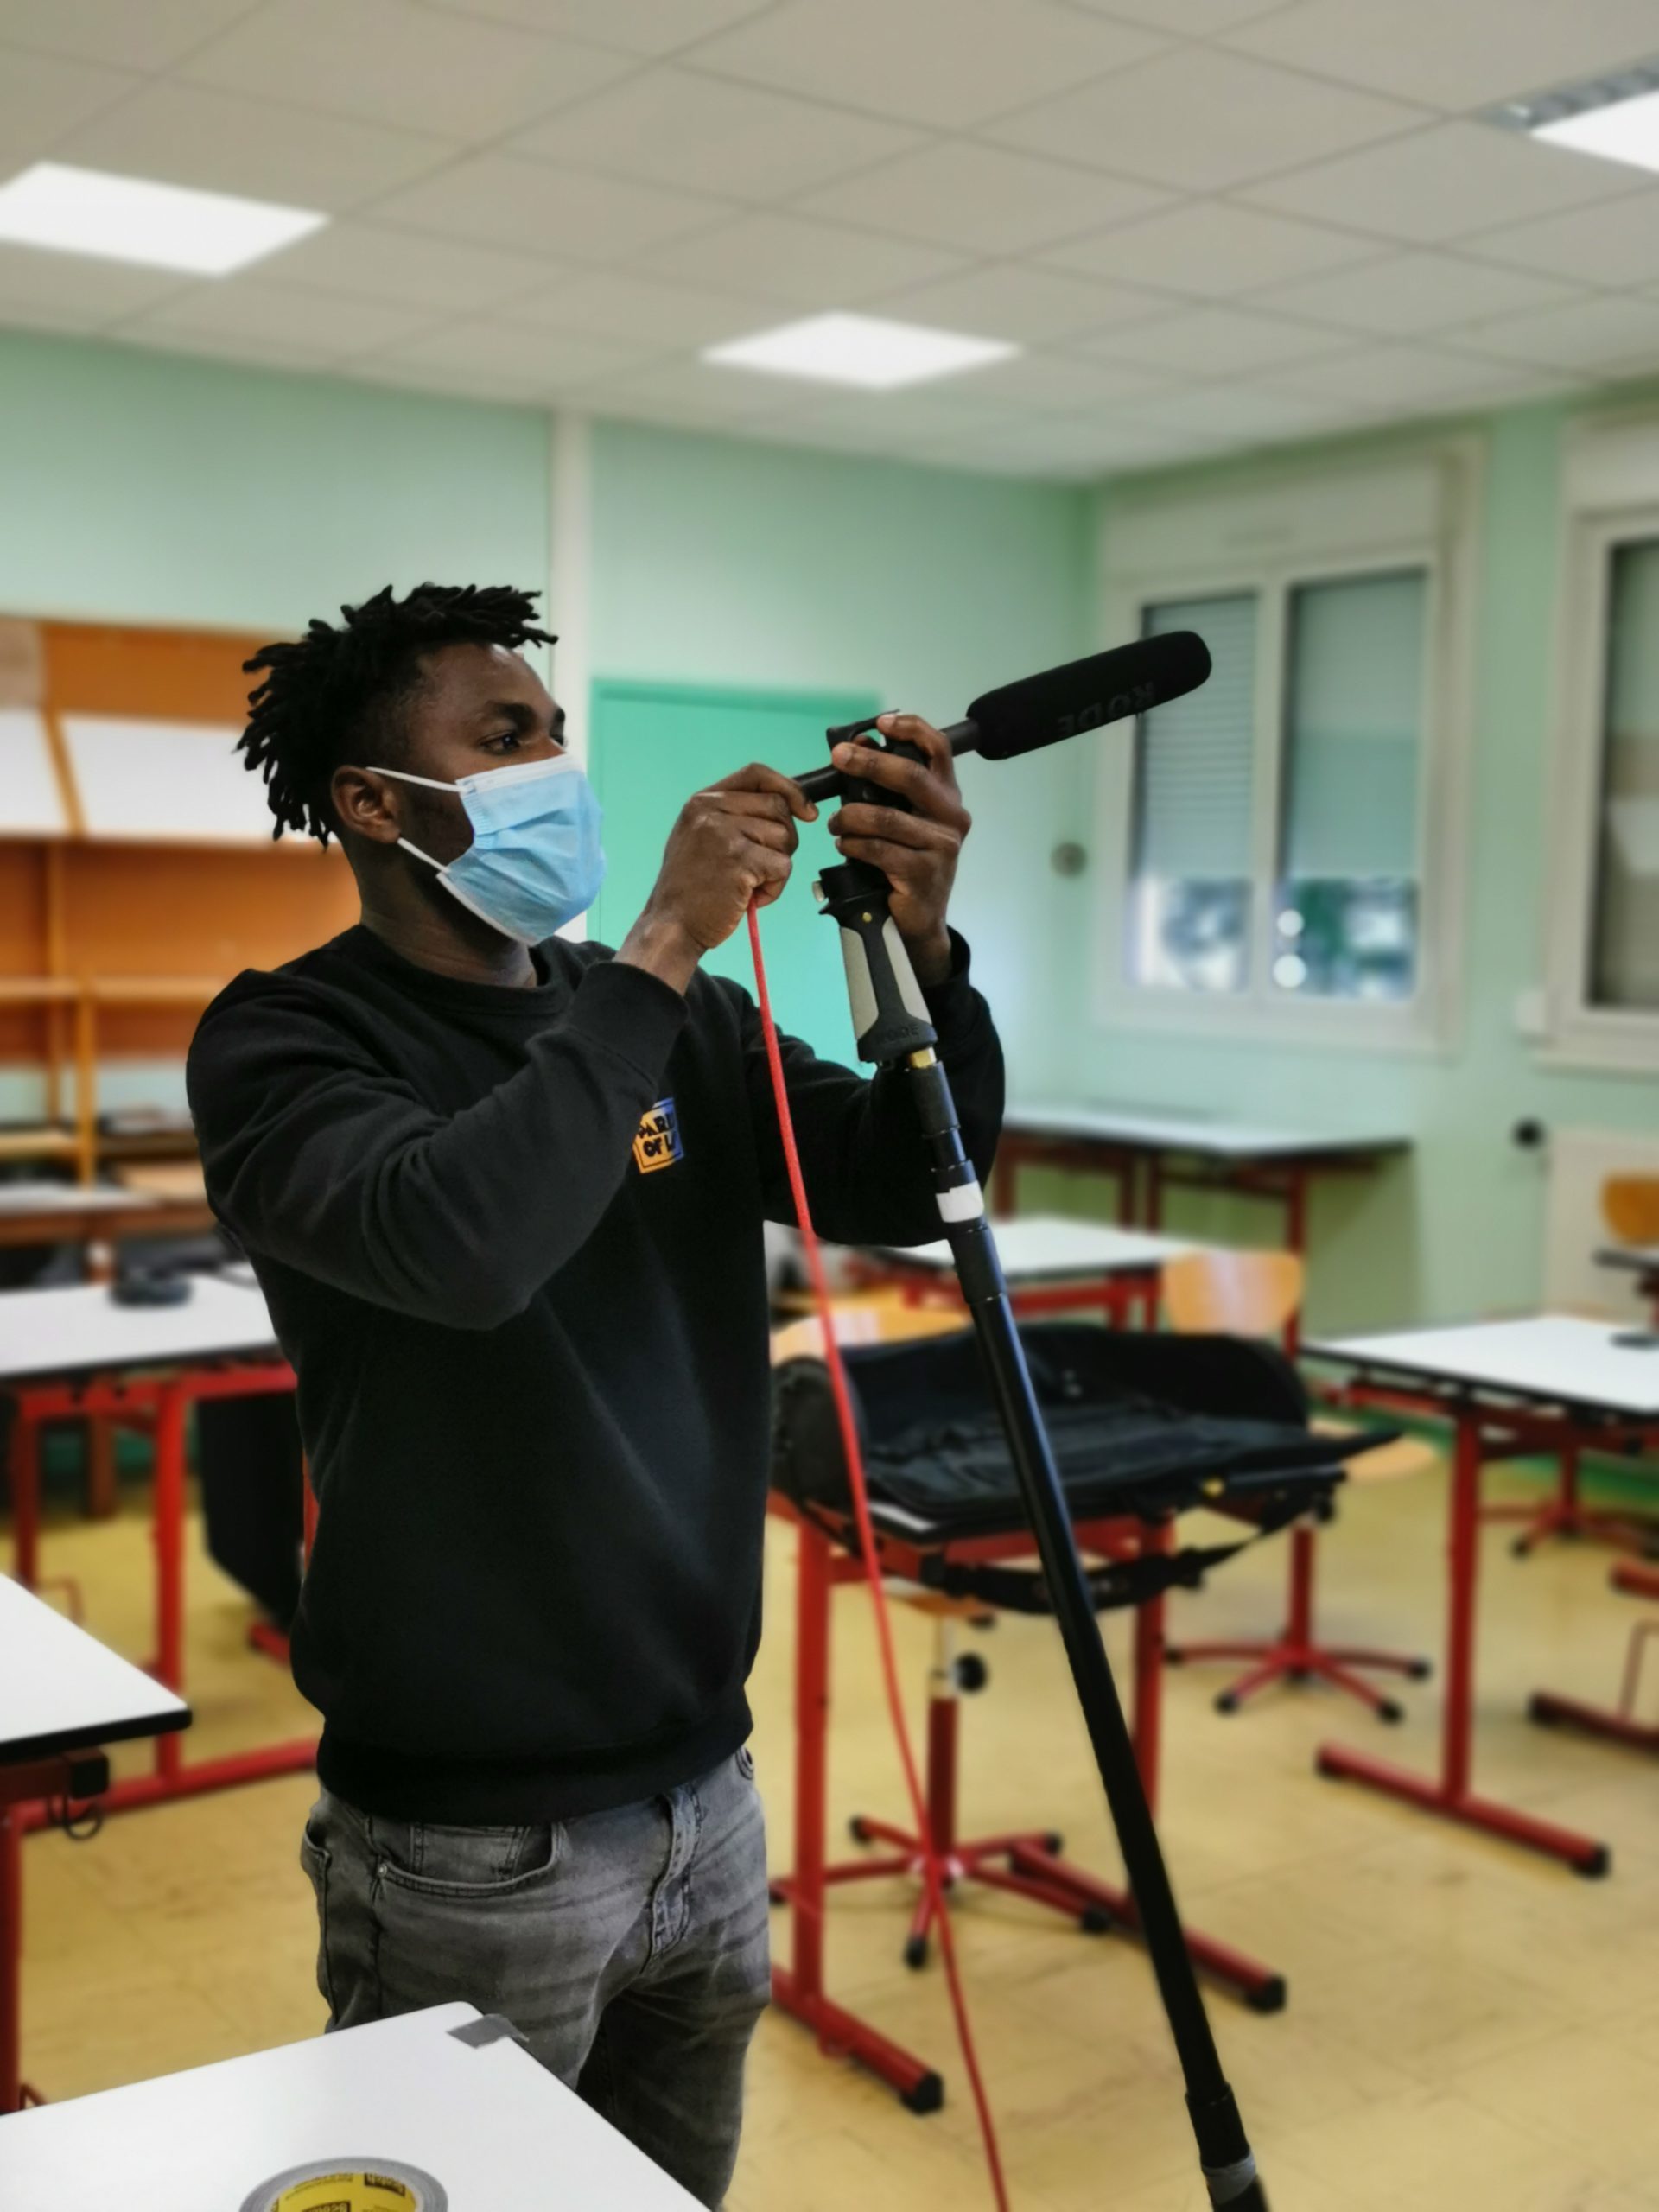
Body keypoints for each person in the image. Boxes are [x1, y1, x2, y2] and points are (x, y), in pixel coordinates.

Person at [186, 582, 1003, 2207]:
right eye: (505, 737)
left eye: (557, 733)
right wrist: (661, 944)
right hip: (471, 1842)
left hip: (707, 1782)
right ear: (374, 803)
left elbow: (912, 1180)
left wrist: (922, 953)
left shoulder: (676, 1022)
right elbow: (465, 1243)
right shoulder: (288, 1039)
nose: (556, 766)